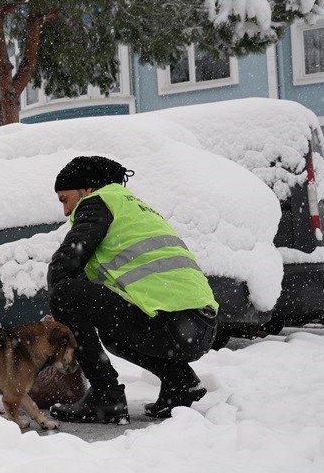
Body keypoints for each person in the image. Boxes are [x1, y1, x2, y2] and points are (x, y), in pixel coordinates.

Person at [46, 155, 218, 424]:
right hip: (200, 325)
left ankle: (106, 396)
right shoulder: (131, 206)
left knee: (64, 294)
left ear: (87, 189)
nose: (66, 211)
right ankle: (180, 382)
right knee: (113, 334)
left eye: (64, 199)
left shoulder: (98, 203)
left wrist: (60, 314)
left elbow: (65, 263)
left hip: (173, 323)